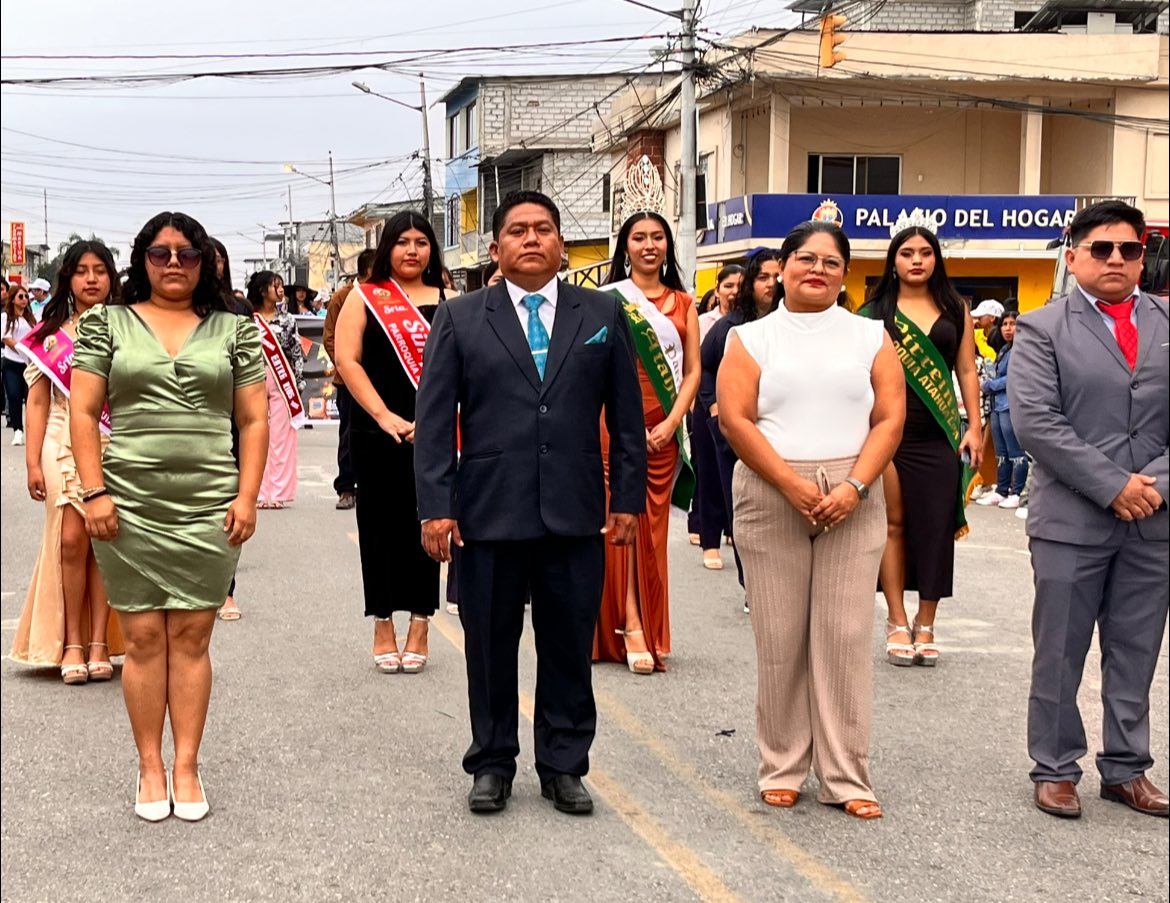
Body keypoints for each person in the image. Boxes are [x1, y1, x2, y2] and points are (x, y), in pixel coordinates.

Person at [415, 190, 646, 815]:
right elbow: (433, 422)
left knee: (568, 645)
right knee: (489, 647)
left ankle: (564, 765)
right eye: (518, 231)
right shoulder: (460, 317)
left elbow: (627, 418)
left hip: (574, 511)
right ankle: (491, 763)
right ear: (496, 248)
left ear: (561, 244)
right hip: (488, 511)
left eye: (544, 229)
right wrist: (436, 506)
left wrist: (627, 498)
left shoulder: (602, 312)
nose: (532, 239)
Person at [70, 211, 268, 822]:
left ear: (206, 261)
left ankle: (186, 765)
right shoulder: (106, 323)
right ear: (142, 261)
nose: (174, 262)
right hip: (127, 500)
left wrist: (247, 496)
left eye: (187, 252)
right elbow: (83, 413)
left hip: (210, 501)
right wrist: (94, 493)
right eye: (160, 253)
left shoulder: (235, 330)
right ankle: (150, 766)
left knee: (191, 637)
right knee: (143, 639)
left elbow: (253, 420)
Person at [718, 221, 904, 820]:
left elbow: (889, 418)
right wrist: (792, 485)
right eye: (805, 259)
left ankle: (846, 776)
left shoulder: (870, 335)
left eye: (830, 261)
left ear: (845, 273)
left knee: (843, 636)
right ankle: (782, 766)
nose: (817, 270)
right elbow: (736, 419)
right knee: (780, 638)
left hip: (854, 490)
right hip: (773, 490)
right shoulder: (751, 338)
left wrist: (854, 486)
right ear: (783, 268)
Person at [1009, 199, 1169, 820]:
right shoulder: (1042, 328)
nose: (1116, 259)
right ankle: (1055, 767)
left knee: (1136, 650)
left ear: (1142, 258)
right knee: (1060, 649)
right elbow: (1036, 423)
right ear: (1073, 257)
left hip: (1153, 518)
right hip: (1072, 520)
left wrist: (1152, 485)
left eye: (1129, 249)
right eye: (1102, 248)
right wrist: (1112, 485)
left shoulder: (1165, 321)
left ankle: (1127, 768)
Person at [860, 225, 982, 668]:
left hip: (939, 433)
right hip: (888, 433)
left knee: (936, 527)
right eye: (907, 252)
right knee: (891, 525)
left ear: (936, 259)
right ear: (893, 260)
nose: (916, 260)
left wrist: (975, 427)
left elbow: (966, 370)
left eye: (925, 252)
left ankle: (926, 621)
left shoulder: (955, 308)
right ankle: (896, 618)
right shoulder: (874, 311)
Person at [335, 214, 450, 674]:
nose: (412, 250)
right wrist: (384, 416)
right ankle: (382, 621)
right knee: (379, 528)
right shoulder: (365, 296)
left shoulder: (449, 299)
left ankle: (421, 622)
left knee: (429, 525)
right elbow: (347, 359)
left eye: (421, 242)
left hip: (434, 432)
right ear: (387, 247)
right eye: (402, 242)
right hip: (375, 430)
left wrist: (434, 421)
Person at [10, 240, 125, 682]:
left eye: (100, 270)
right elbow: (37, 401)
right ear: (67, 279)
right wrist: (32, 463)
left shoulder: (128, 327)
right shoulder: (49, 336)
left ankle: (99, 642)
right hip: (61, 437)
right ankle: (71, 640)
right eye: (81, 271)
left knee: (104, 541)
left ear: (112, 277)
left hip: (113, 441)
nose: (91, 279)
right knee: (71, 539)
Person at [593, 211, 699, 674]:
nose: (649, 245)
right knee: (618, 521)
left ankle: (649, 626)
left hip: (663, 428)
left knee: (652, 530)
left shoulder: (684, 303)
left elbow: (692, 371)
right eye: (639, 237)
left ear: (668, 247)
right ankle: (628, 623)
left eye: (658, 237)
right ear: (626, 247)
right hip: (613, 426)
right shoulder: (607, 300)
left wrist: (673, 421)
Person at [699, 250, 782, 605]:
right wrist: (716, 409)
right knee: (744, 511)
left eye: (777, 277)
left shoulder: (792, 323)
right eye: (763, 277)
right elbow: (704, 368)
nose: (771, 284)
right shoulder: (729, 327)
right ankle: (753, 588)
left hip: (780, 432)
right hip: (736, 434)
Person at [691, 264, 743, 567]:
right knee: (709, 472)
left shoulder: (757, 321)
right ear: (717, 289)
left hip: (744, 409)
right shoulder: (709, 324)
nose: (734, 292)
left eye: (740, 285)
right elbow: (698, 365)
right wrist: (709, 403)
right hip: (709, 405)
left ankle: (733, 529)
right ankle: (709, 538)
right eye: (728, 286)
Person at [211, 237, 249, 620]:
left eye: (219, 258)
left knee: (228, 503)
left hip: (230, 419)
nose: (213, 264)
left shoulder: (238, 310)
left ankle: (226, 589)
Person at [324, 248, 375, 511]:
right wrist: (349, 366)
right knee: (349, 435)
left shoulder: (388, 297)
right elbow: (330, 338)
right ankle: (346, 487)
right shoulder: (342, 297)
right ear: (367, 271)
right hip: (349, 382)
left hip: (380, 381)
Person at [248, 271, 304, 509]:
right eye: (275, 286)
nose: (281, 290)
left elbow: (296, 352)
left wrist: (298, 383)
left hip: (282, 380)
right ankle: (259, 492)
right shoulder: (248, 319)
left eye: (281, 286)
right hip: (253, 379)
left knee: (281, 438)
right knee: (257, 435)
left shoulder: (288, 320)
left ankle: (279, 492)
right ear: (262, 290)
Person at [976, 310, 1028, 509]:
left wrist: (989, 385)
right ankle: (1002, 490)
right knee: (1001, 452)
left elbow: (1014, 377)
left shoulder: (1022, 350)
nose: (1008, 328)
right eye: (1005, 324)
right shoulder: (1005, 349)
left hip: (1010, 404)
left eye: (1012, 324)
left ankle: (1017, 492)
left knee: (1015, 451)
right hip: (997, 405)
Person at [3, 285, 37, 445]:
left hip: (30, 364)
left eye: (26, 297)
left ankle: (33, 429)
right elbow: (7, 339)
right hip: (12, 363)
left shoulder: (32, 318)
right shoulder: (5, 318)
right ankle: (18, 430)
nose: (24, 300)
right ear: (13, 299)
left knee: (31, 398)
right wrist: (23, 350)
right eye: (21, 297)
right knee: (14, 396)